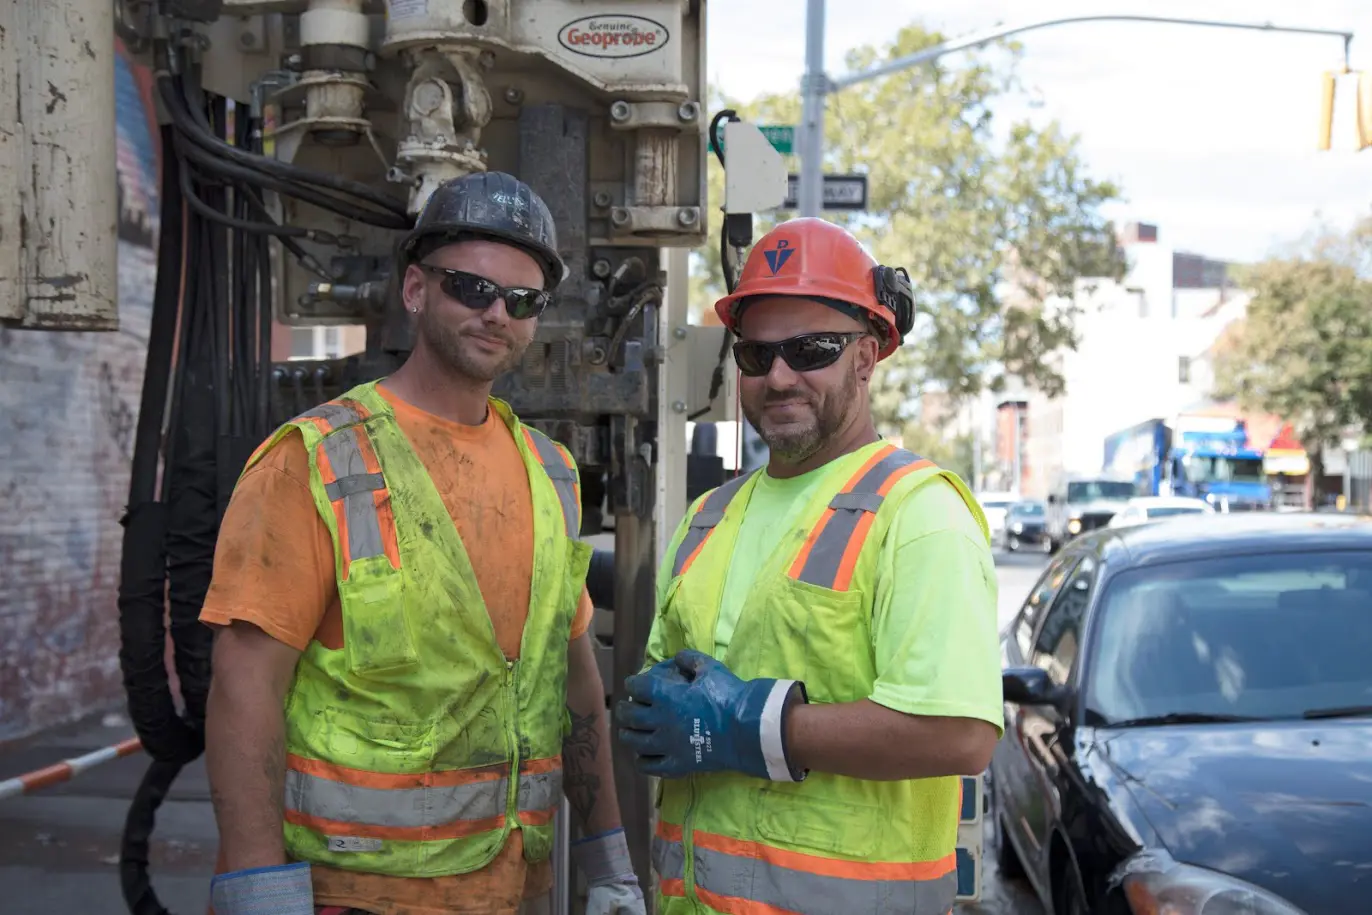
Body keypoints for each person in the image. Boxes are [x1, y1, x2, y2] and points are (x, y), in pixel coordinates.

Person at [200, 172, 645, 915]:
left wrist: (608, 863)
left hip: (509, 888)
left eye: (521, 300)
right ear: (415, 289)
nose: (495, 312)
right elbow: (246, 684)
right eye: (470, 288)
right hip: (353, 892)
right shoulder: (314, 459)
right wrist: (254, 885)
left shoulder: (551, 472)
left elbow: (575, 686)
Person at [616, 218, 1004, 915]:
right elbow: (665, 705)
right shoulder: (708, 516)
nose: (780, 376)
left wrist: (747, 724)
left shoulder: (917, 514)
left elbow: (961, 733)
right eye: (758, 355)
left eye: (812, 349)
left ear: (869, 353)